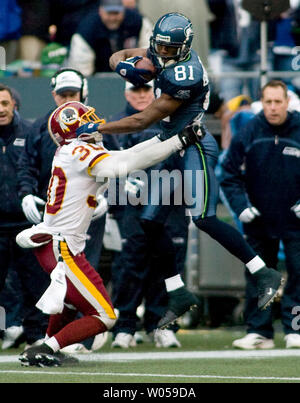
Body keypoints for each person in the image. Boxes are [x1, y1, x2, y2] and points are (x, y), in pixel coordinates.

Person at [77, 12, 284, 329]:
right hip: (167, 144)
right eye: (160, 47)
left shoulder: (185, 74)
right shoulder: (162, 51)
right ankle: (177, 291)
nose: (163, 54)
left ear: (184, 47)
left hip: (193, 144)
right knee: (148, 223)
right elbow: (117, 56)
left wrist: (99, 127)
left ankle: (263, 271)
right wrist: (125, 66)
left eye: (169, 50)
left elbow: (140, 120)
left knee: (203, 217)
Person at [16, 100, 199, 367]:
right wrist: (178, 142)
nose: (96, 122)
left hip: (61, 245)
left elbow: (129, 155)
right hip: (61, 246)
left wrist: (165, 136)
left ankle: (46, 346)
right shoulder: (77, 149)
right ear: (74, 130)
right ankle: (45, 347)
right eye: (87, 119)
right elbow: (122, 166)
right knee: (105, 315)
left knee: (69, 302)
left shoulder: (75, 149)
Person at [221, 80, 300, 349]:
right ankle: (259, 332)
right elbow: (229, 174)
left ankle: (295, 329)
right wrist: (241, 205)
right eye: (268, 102)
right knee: (258, 276)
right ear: (261, 103)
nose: (273, 108)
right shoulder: (249, 130)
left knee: (299, 274)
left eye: (278, 102)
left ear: (287, 102)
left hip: (296, 220)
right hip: (258, 220)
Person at [109, 81, 187, 348]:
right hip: (131, 205)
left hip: (171, 205)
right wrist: (119, 184)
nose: (141, 95)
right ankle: (126, 326)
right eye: (136, 90)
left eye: (146, 90)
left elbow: (190, 160)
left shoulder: (174, 119)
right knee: (130, 266)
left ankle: (162, 325)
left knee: (167, 265)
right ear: (126, 92)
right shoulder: (115, 124)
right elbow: (101, 164)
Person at [0, 83, 49, 348]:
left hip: (26, 222)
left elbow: (40, 171)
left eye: (5, 103)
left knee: (35, 283)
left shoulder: (31, 131)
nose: (0, 109)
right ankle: (7, 328)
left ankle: (36, 336)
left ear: (14, 104)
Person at [66, 0, 153, 75]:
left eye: (116, 13)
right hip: (98, 78)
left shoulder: (138, 22)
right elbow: (82, 70)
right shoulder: (87, 30)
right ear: (100, 11)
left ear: (123, 10)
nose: (112, 18)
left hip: (134, 75)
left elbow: (148, 51)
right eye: (109, 13)